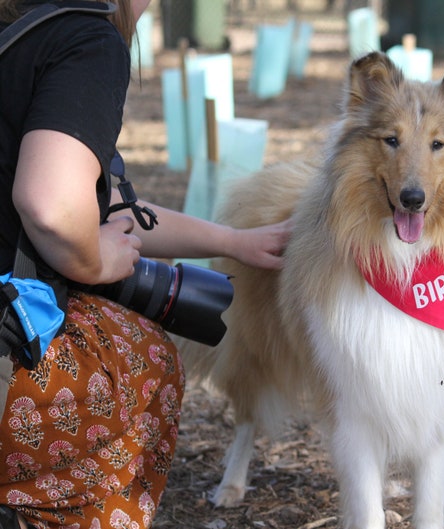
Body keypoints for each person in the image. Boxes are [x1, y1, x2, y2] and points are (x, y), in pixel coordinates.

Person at [0, 0, 291, 527]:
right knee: (144, 360)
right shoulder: (84, 38)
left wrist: (234, 240)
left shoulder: (19, 33)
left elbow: (102, 206)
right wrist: (93, 260)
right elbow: (50, 204)